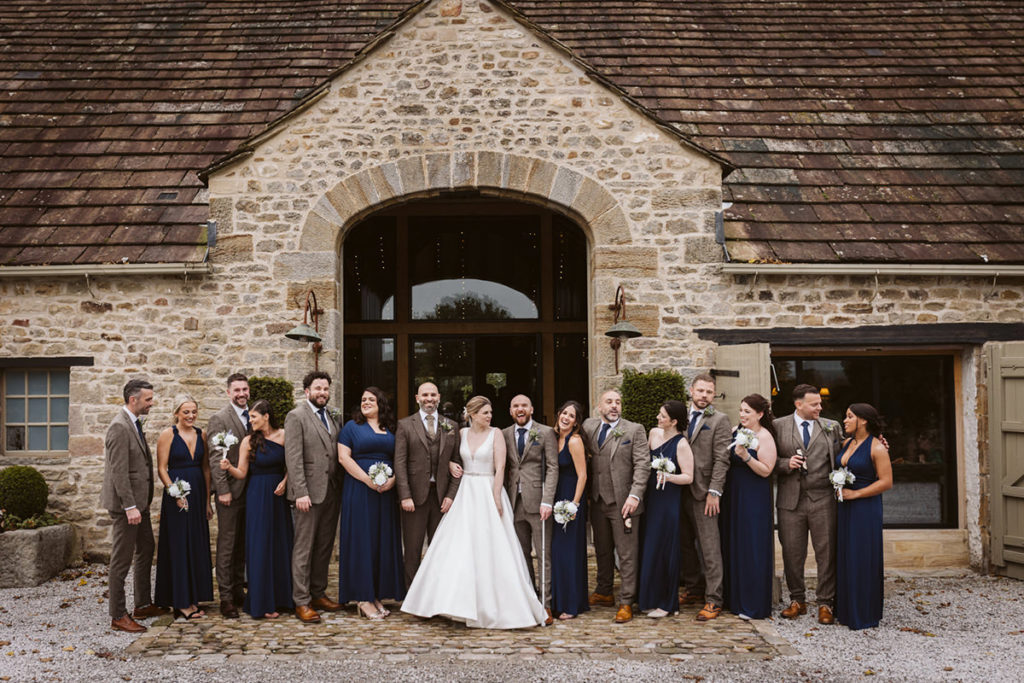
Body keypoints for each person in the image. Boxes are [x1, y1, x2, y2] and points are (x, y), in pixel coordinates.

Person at [401, 396, 546, 629]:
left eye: (490, 413)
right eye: (485, 413)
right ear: (473, 414)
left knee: (491, 546)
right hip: (465, 491)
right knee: (457, 547)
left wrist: (497, 497)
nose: (489, 416)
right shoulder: (460, 434)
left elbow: (500, 468)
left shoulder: (496, 433)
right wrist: (449, 464)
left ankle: (493, 605)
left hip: (487, 490)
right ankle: (445, 601)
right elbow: (447, 456)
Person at [773, 384, 844, 625]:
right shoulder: (778, 426)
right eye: (814, 404)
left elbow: (846, 455)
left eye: (820, 404)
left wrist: (877, 446)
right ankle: (797, 600)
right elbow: (767, 459)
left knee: (826, 553)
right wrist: (785, 463)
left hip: (823, 498)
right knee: (792, 553)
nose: (819, 407)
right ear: (798, 404)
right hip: (789, 500)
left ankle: (825, 602)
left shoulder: (831, 426)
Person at [100, 378, 167, 632]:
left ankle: (142, 603)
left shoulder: (134, 423)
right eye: (148, 399)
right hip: (127, 507)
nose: (152, 403)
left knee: (147, 547)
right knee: (121, 559)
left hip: (141, 504)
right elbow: (118, 472)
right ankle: (118, 615)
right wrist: (129, 506)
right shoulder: (119, 427)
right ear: (133, 399)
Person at [582, 389, 650, 624]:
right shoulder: (589, 427)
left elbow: (643, 465)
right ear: (598, 406)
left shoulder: (634, 430)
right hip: (598, 500)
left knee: (627, 553)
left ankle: (626, 601)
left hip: (624, 502)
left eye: (618, 402)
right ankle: (604, 591)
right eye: (609, 402)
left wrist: (635, 496)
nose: (614, 406)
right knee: (601, 548)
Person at [220, 399, 293, 619]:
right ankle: (263, 602)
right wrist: (229, 468)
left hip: (278, 496)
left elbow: (293, 463)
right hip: (257, 495)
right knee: (259, 545)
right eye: (250, 417)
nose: (250, 420)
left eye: (253, 416)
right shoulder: (248, 441)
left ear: (266, 416)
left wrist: (286, 481)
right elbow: (242, 472)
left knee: (280, 544)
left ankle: (283, 598)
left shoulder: (284, 435)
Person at [337, 387, 405, 619]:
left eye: (371, 399)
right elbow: (343, 457)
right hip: (359, 490)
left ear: (381, 403)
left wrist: (394, 480)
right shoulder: (351, 427)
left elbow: (400, 458)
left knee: (380, 542)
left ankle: (375, 594)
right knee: (361, 541)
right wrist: (366, 479)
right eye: (363, 399)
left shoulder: (391, 429)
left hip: (385, 494)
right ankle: (362, 598)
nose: (366, 402)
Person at [284, 371, 343, 623]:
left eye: (326, 389)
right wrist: (300, 492)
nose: (323, 393)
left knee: (323, 547)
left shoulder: (331, 416)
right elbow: (293, 457)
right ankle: (301, 600)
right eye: (318, 388)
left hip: (331, 491)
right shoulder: (296, 416)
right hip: (307, 494)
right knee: (304, 549)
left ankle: (318, 592)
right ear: (307, 391)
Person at [394, 381, 462, 588]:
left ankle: (435, 593)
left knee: (439, 548)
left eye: (433, 395)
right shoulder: (405, 425)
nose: (429, 399)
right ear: (417, 398)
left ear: (439, 397)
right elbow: (400, 462)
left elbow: (458, 463)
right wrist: (405, 495)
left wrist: (451, 495)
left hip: (441, 497)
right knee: (413, 548)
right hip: (414, 497)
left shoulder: (451, 426)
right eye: (425, 395)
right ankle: (411, 594)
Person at [154, 395, 214, 619]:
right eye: (186, 412)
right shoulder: (168, 435)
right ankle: (181, 602)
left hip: (198, 493)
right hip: (176, 495)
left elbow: (206, 468)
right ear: (177, 413)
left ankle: (195, 595)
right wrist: (175, 494)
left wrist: (208, 501)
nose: (190, 416)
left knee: (196, 543)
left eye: (194, 412)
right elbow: (162, 468)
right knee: (179, 545)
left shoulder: (202, 434)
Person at [835, 403, 893, 630]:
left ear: (863, 420)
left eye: (849, 417)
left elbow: (886, 482)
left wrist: (856, 493)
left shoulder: (877, 448)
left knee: (862, 556)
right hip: (845, 507)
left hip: (865, 508)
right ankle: (847, 610)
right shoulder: (847, 442)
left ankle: (864, 612)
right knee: (846, 555)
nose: (845, 420)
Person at [502, 394, 559, 625]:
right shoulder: (504, 434)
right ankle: (528, 598)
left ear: (532, 409)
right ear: (511, 411)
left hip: (538, 503)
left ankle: (545, 604)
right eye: (515, 406)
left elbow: (553, 467)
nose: (520, 409)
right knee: (521, 555)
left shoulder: (545, 433)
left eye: (524, 405)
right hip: (513, 503)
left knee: (543, 554)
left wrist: (548, 500)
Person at [679, 373, 731, 622]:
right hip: (678, 491)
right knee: (684, 545)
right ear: (691, 390)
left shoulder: (719, 420)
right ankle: (693, 588)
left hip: (704, 492)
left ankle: (714, 599)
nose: (704, 396)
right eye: (700, 391)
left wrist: (715, 491)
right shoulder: (679, 415)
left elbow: (722, 458)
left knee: (710, 547)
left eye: (709, 392)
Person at [720, 394, 777, 620]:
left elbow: (766, 470)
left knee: (752, 547)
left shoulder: (765, 436)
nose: (742, 415)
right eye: (741, 410)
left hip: (754, 497)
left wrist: (745, 457)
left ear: (760, 414)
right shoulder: (735, 430)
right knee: (734, 544)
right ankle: (735, 600)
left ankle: (753, 603)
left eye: (748, 412)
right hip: (733, 495)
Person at [638, 400, 694, 618]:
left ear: (674, 422)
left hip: (668, 502)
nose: (657, 418)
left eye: (662, 416)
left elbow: (689, 477)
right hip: (650, 498)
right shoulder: (653, 434)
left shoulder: (681, 444)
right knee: (649, 548)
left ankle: (667, 603)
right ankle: (647, 598)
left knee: (665, 550)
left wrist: (669, 477)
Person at [207, 372, 251, 619]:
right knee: (227, 545)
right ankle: (225, 598)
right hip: (230, 494)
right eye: (237, 390)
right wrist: (221, 490)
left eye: (244, 389)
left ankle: (238, 590)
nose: (242, 394)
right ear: (228, 393)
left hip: (250, 491)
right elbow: (216, 458)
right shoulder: (219, 419)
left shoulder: (252, 417)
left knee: (243, 545)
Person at [550, 400, 589, 620]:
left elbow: (582, 474)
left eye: (571, 416)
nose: (566, 417)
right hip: (555, 496)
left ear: (576, 422)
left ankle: (571, 605)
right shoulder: (553, 437)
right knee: (557, 552)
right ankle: (558, 600)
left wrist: (574, 504)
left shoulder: (574, 441)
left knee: (568, 552)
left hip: (570, 496)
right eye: (564, 413)